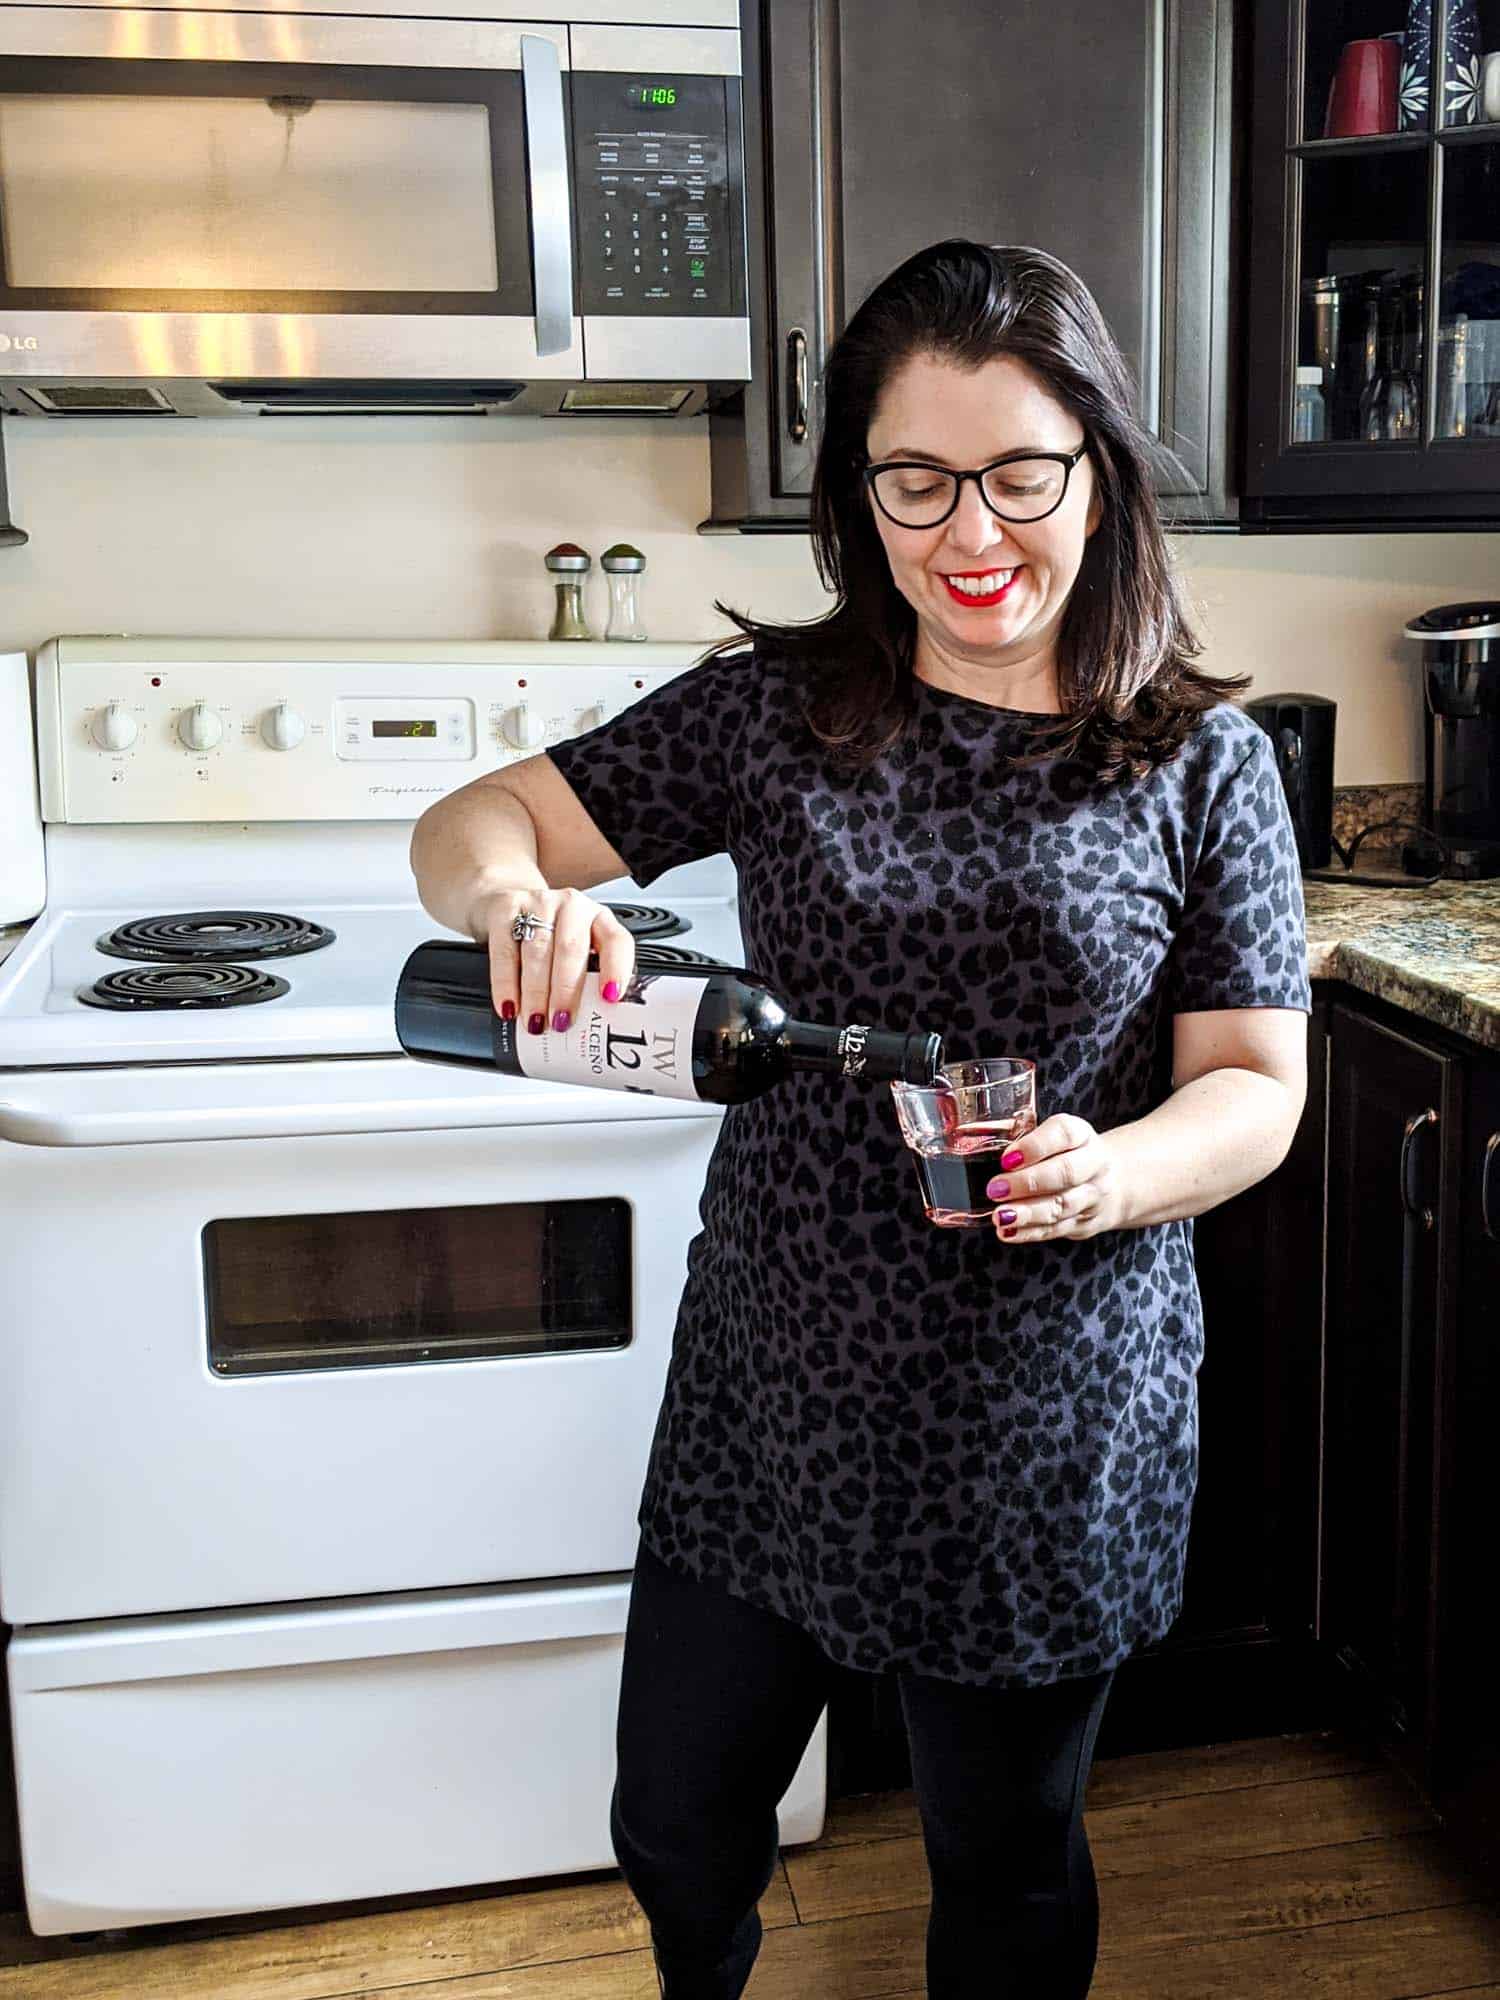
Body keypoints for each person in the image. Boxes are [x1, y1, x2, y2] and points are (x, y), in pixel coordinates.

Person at [408, 239, 1310, 2000]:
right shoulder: (779, 713)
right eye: (916, 481)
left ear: (1101, 472)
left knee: (1004, 1864)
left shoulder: (1205, 763)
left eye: (1019, 476)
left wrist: (1115, 1170)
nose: (971, 535)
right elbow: (471, 821)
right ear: (858, 493)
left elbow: (1257, 1090)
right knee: (675, 1818)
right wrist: (519, 905)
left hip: (1046, 1413)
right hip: (778, 1386)